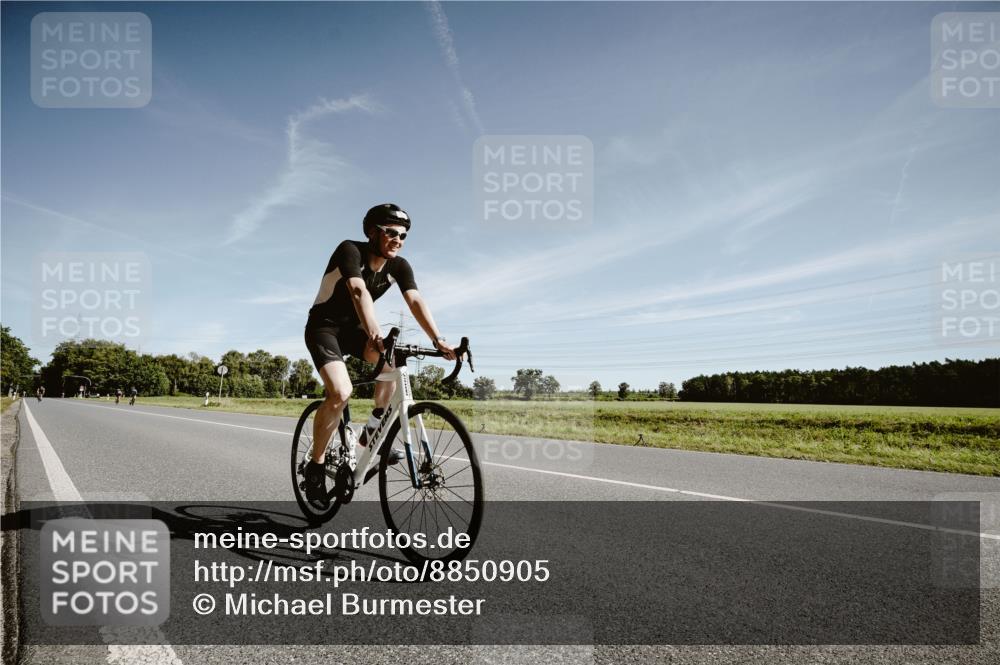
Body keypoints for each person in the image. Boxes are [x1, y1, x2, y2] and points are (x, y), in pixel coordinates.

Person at [303, 203, 455, 507]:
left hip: (355, 332)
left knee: (394, 362)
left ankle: (372, 428)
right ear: (372, 232)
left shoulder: (399, 266)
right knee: (340, 392)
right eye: (391, 232)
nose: (398, 239)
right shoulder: (350, 251)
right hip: (324, 328)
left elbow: (415, 301)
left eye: (403, 235)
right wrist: (375, 334)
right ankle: (316, 467)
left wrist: (438, 339)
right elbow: (358, 292)